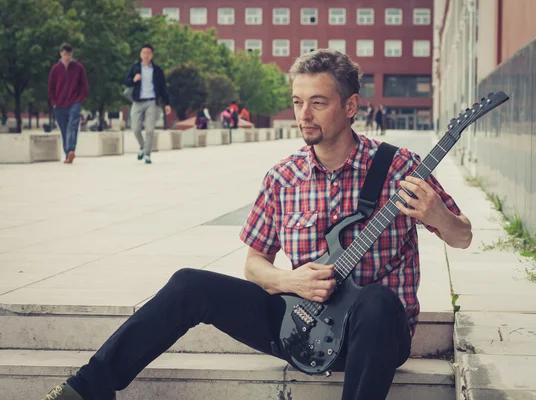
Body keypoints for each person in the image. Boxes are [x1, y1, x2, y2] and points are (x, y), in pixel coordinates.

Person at [41, 49, 472, 400]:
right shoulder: (283, 177)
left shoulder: (398, 166)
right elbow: (254, 264)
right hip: (299, 326)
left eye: (318, 103)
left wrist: (438, 216)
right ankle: (87, 389)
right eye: (298, 102)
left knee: (377, 302)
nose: (304, 114)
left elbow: (463, 236)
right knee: (189, 283)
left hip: (375, 338)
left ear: (351, 106)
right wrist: (291, 281)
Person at [124, 44, 171, 164]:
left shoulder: (157, 70)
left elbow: (163, 88)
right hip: (137, 101)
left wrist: (167, 103)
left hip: (151, 101)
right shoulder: (134, 67)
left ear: (152, 55)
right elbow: (126, 81)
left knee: (150, 130)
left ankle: (147, 154)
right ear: (140, 54)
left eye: (148, 53)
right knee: (135, 128)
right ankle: (142, 146)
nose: (146, 55)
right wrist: (134, 79)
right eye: (144, 53)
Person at [48, 43, 88, 164]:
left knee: (73, 126)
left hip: (74, 102)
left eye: (69, 54)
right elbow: (51, 87)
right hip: (59, 105)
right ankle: (68, 154)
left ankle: (71, 149)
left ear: (72, 53)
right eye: (65, 54)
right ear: (61, 54)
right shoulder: (55, 69)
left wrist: (79, 99)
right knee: (64, 129)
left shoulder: (78, 67)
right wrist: (54, 102)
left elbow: (84, 85)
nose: (67, 57)